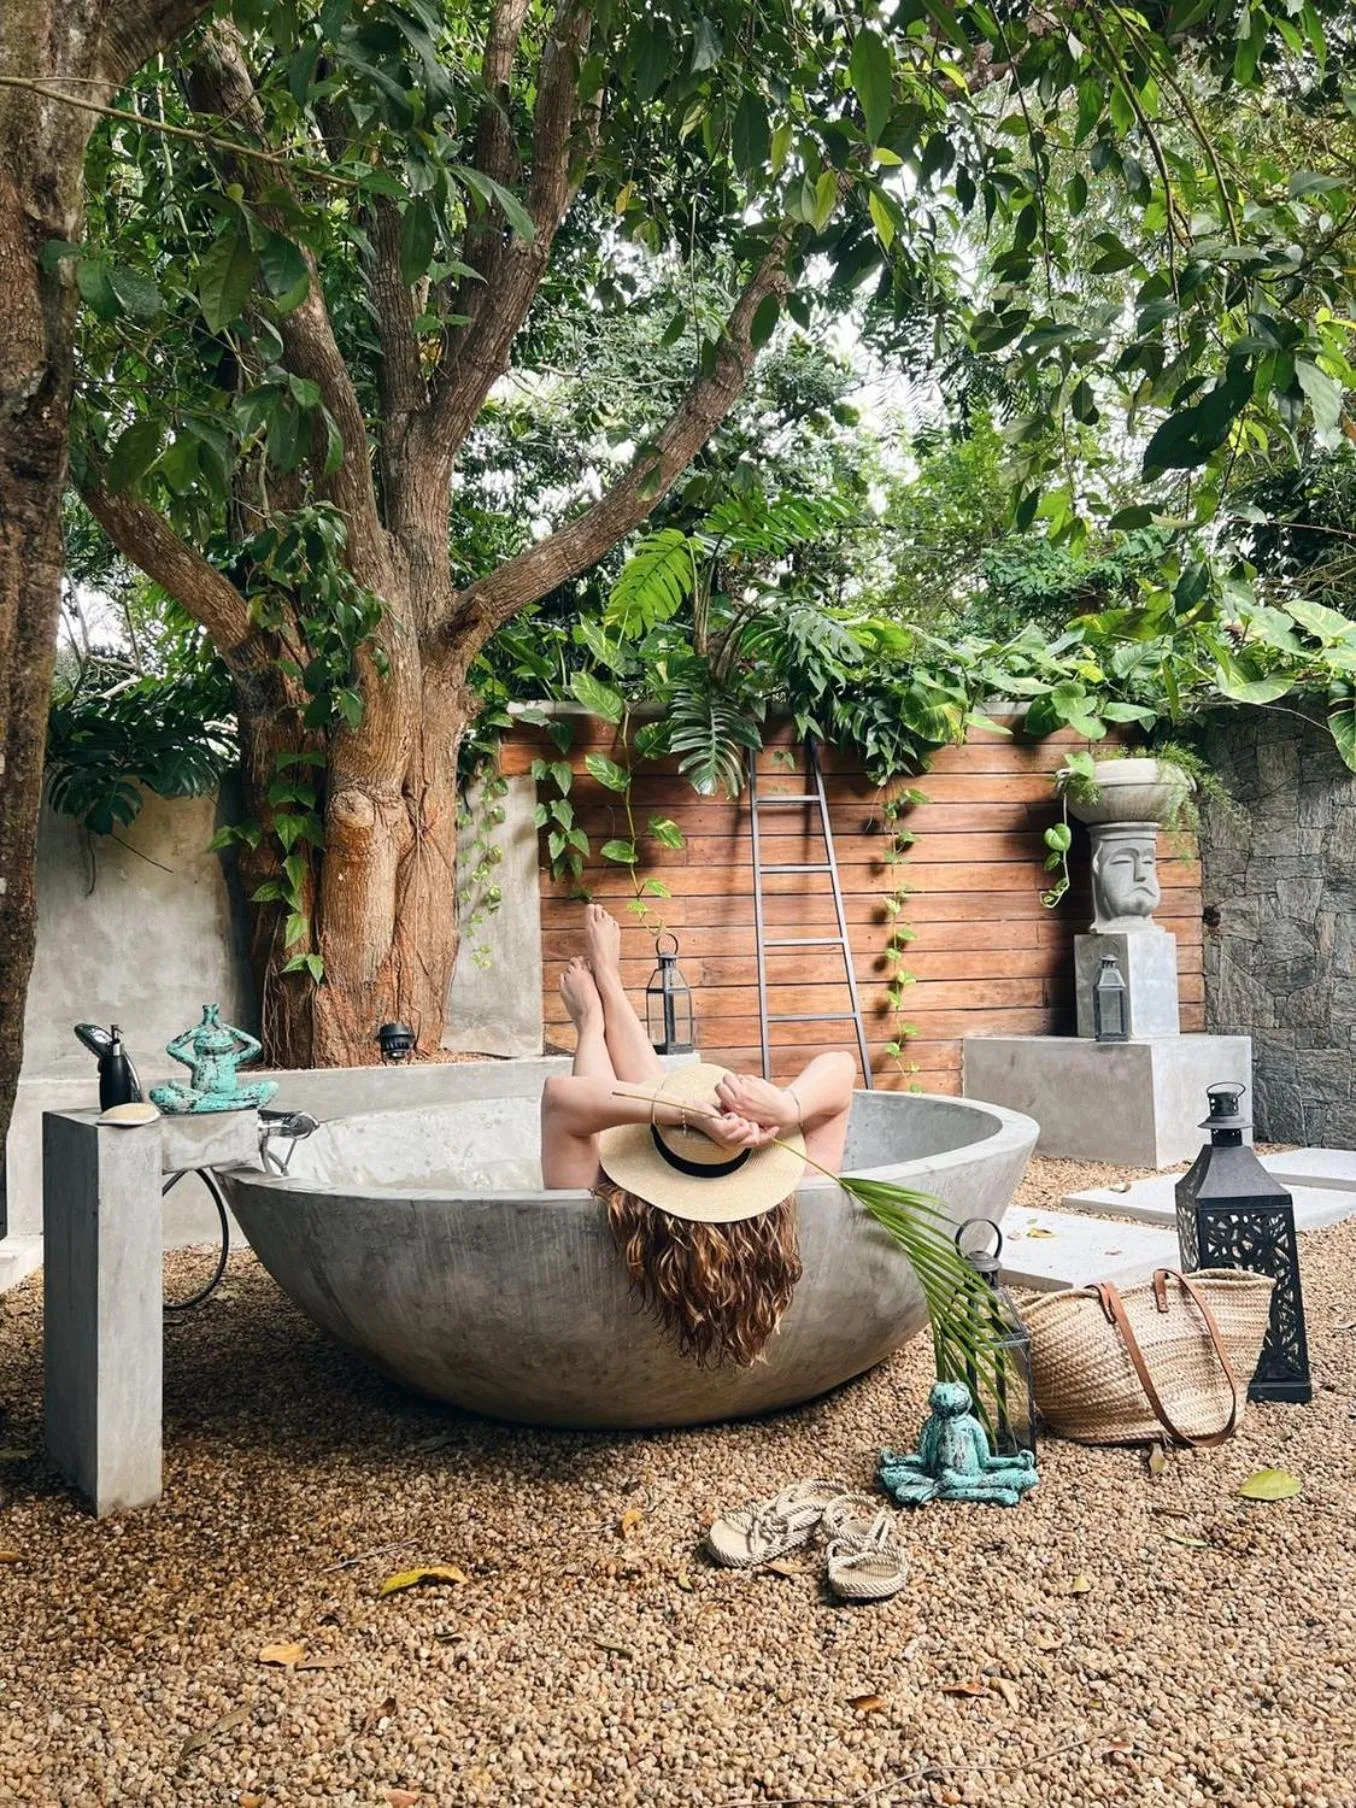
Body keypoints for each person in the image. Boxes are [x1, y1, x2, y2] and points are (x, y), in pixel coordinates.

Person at [540, 905, 856, 1366]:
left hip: (612, 1156)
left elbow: (566, 1099)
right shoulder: (797, 1195)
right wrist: (789, 1106)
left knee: (618, 1129)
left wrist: (683, 1112)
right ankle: (608, 982)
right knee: (639, 1115)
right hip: (669, 1151)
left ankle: (596, 1008)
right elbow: (841, 1069)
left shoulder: (611, 1206)